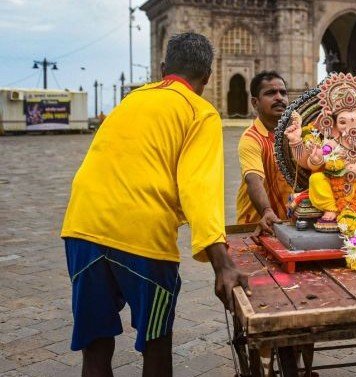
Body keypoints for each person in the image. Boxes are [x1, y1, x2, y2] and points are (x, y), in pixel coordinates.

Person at [61, 32, 248, 377]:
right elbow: (200, 188)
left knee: (96, 348)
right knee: (156, 343)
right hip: (141, 238)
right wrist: (222, 264)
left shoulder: (132, 99)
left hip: (81, 228)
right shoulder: (199, 111)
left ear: (163, 69)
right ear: (207, 78)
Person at [235, 71, 293, 236]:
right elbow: (254, 179)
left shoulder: (296, 133)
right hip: (258, 226)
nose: (279, 98)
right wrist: (266, 210)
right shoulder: (251, 138)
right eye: (270, 93)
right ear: (255, 102)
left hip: (291, 225)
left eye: (283, 92)